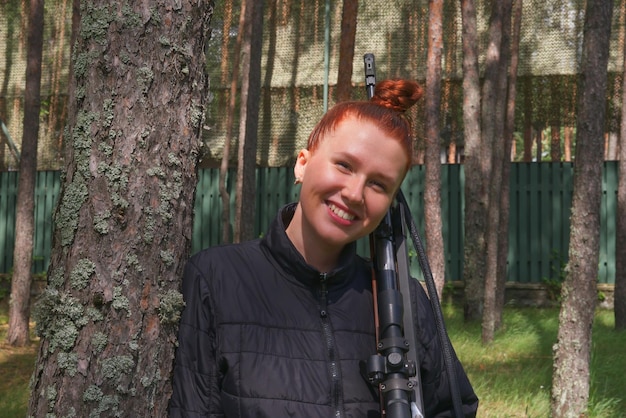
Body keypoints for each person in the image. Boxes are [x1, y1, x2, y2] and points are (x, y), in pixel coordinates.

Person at [169, 79, 479, 417]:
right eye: (344, 165)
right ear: (303, 163)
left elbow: (455, 407)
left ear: (390, 202)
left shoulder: (407, 302)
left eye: (378, 184)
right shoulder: (215, 279)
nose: (354, 193)